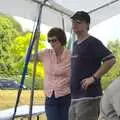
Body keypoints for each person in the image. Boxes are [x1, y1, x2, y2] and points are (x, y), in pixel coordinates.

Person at [69, 11, 116, 120]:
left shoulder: (93, 42)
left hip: (89, 98)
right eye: (73, 22)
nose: (74, 24)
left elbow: (111, 60)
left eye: (78, 22)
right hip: (74, 98)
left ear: (87, 25)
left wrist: (93, 78)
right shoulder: (74, 45)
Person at [31, 27, 71, 120]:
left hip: (66, 97)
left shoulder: (70, 56)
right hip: (50, 97)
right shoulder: (46, 54)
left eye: (54, 40)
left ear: (61, 40)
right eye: (49, 40)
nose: (51, 43)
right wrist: (34, 42)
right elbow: (28, 58)